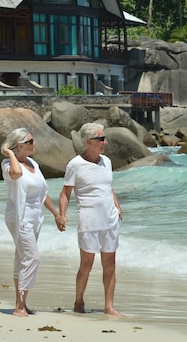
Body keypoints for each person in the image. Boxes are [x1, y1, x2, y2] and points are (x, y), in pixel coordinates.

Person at [58, 122, 124, 317]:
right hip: (89, 220)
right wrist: (62, 215)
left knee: (110, 264)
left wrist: (117, 205)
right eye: (101, 139)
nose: (106, 142)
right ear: (89, 142)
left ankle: (109, 307)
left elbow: (108, 187)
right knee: (86, 265)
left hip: (110, 220)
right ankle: (79, 301)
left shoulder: (107, 161)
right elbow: (65, 193)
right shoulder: (75, 164)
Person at [1, 128, 63, 317]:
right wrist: (10, 153)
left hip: (35, 218)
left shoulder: (34, 164)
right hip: (19, 217)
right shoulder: (7, 164)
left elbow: (42, 194)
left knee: (22, 259)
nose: (34, 144)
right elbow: (17, 174)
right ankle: (19, 306)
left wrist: (56, 214)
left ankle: (22, 303)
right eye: (30, 141)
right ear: (19, 145)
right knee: (33, 258)